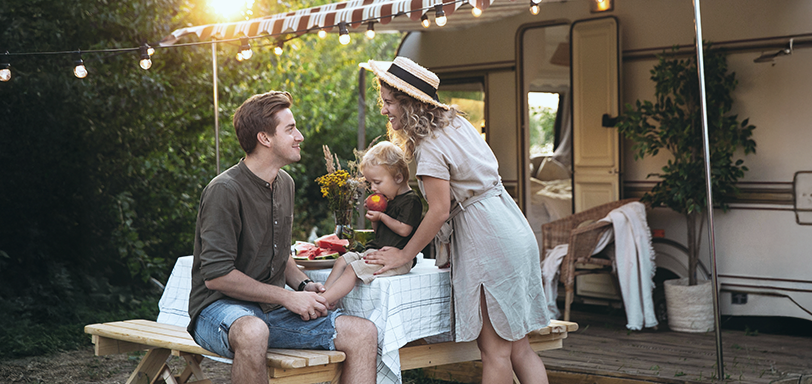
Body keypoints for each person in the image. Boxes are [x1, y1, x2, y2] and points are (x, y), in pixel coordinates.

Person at [360, 57, 552, 384]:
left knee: (495, 352)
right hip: (511, 225)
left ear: (409, 104)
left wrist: (405, 254)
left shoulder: (431, 148)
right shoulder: (455, 124)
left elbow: (439, 211)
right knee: (518, 346)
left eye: (389, 102)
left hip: (487, 237)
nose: (384, 110)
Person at [187, 91, 377, 384]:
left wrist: (304, 285)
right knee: (252, 331)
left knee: (363, 332)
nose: (299, 136)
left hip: (270, 312)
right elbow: (217, 277)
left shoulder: (285, 183)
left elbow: (280, 255)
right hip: (217, 309)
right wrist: (288, 298)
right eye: (290, 129)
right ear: (265, 138)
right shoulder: (224, 190)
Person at [321, 141, 423, 304]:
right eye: (370, 183)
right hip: (376, 251)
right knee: (343, 260)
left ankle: (323, 302)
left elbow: (404, 230)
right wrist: (375, 216)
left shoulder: (411, 201)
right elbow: (379, 233)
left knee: (352, 269)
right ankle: (322, 294)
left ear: (398, 177)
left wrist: (382, 217)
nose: (373, 188)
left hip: (397, 259)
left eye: (377, 182)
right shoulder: (388, 200)